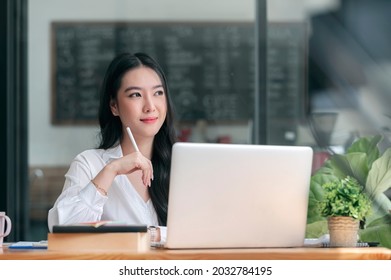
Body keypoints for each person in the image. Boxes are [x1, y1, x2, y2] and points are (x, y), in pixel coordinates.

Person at [48, 52, 177, 242]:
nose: (150, 106)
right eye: (136, 95)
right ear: (114, 106)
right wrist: (111, 170)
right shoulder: (90, 163)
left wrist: (151, 234)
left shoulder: (181, 166)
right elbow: (62, 230)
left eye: (158, 92)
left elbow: (204, 232)